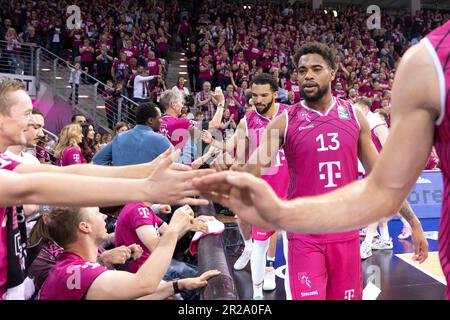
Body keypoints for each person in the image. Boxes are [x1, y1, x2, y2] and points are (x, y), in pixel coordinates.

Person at [193, 32, 441, 294]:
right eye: (302, 71)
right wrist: (228, 171)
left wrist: (413, 223)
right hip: (305, 235)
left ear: (333, 73)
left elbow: (382, 178)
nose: (307, 75)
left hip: (345, 235)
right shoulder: (285, 121)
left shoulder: (354, 116)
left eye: (316, 69)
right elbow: (253, 170)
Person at [0, 78, 213, 298]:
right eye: (26, 115)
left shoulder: (7, 162)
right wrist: (145, 189)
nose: (31, 124)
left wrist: (146, 171)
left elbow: (73, 172)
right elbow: (53, 184)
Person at [202, 73, 288, 299]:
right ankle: (250, 257)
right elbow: (233, 150)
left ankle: (271, 268)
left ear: (275, 95)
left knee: (286, 237)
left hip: (289, 187)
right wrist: (215, 143)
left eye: (263, 96)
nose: (257, 100)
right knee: (245, 221)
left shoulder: (290, 115)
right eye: (254, 96)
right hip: (258, 185)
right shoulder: (247, 121)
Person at [38, 206, 220, 300]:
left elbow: (136, 293)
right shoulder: (75, 272)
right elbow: (144, 284)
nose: (103, 216)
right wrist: (173, 230)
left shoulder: (74, 266)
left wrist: (179, 285)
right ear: (85, 227)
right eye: (96, 212)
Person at [355, 97, 426, 260]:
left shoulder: (377, 124)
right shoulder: (364, 124)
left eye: (357, 108)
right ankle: (386, 238)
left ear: (365, 109)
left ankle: (366, 245)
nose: (355, 112)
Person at [93, 103, 171, 166]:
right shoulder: (160, 140)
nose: (161, 121)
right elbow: (177, 163)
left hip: (121, 184)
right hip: (148, 184)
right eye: (159, 118)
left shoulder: (119, 138)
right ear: (150, 120)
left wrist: (116, 173)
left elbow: (98, 159)